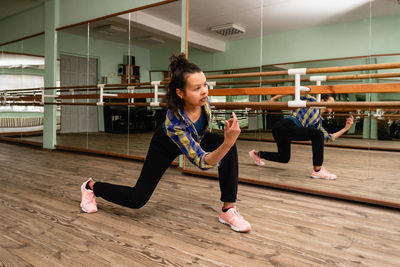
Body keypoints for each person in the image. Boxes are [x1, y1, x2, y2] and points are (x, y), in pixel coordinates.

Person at [80, 54, 251, 232]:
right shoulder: (174, 125)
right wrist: (227, 143)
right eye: (197, 88)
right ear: (180, 93)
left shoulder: (203, 101)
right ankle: (91, 187)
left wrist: (227, 141)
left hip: (194, 138)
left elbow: (202, 136)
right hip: (165, 146)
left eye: (205, 85)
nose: (205, 91)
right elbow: (202, 163)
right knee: (137, 199)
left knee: (227, 145)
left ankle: (228, 209)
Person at [249, 94, 354, 180]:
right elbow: (295, 91)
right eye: (332, 102)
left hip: (285, 131)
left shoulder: (318, 122)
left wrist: (346, 128)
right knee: (317, 134)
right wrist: (275, 98)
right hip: (285, 125)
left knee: (284, 158)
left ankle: (257, 154)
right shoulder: (311, 100)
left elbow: (328, 138)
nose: (334, 105)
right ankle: (317, 170)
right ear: (322, 100)